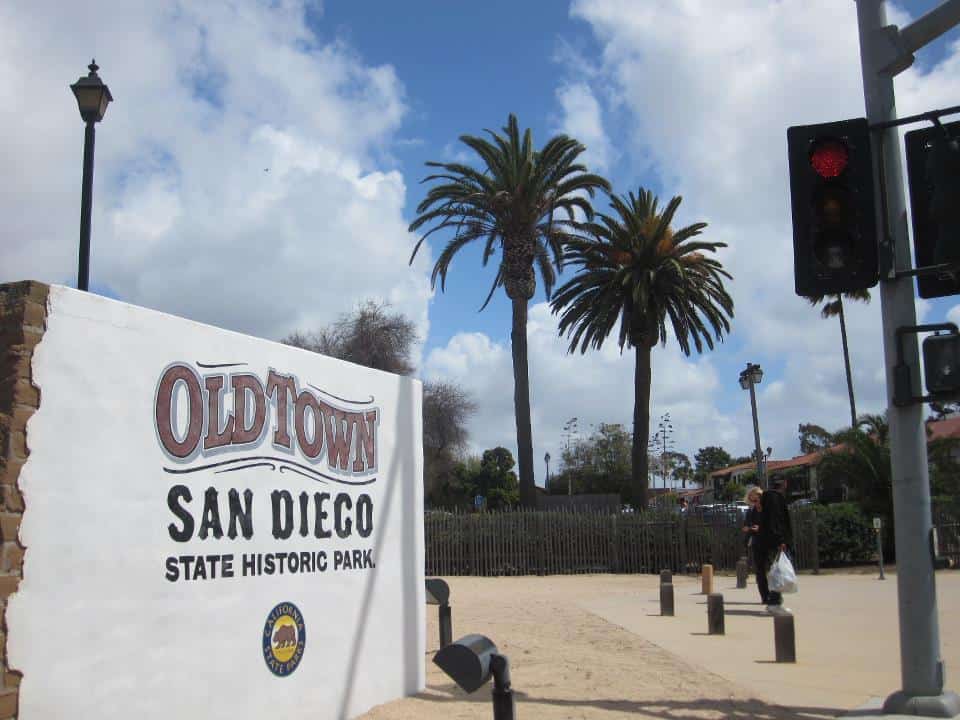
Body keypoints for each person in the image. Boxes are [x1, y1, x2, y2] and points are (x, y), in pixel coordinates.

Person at [755, 477, 793, 611]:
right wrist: (781, 540)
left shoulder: (766, 497)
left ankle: (773, 600)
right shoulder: (776, 498)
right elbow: (777, 521)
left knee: (772, 570)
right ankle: (774, 603)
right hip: (773, 542)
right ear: (784, 483)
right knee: (777, 570)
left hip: (763, 541)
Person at [741, 486, 767, 604]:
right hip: (757, 542)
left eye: (756, 500)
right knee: (760, 571)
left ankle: (775, 595)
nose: (754, 503)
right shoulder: (751, 511)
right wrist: (750, 528)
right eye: (752, 501)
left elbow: (774, 525)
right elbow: (746, 526)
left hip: (769, 542)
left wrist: (761, 528)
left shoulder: (768, 510)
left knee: (772, 571)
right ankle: (765, 597)